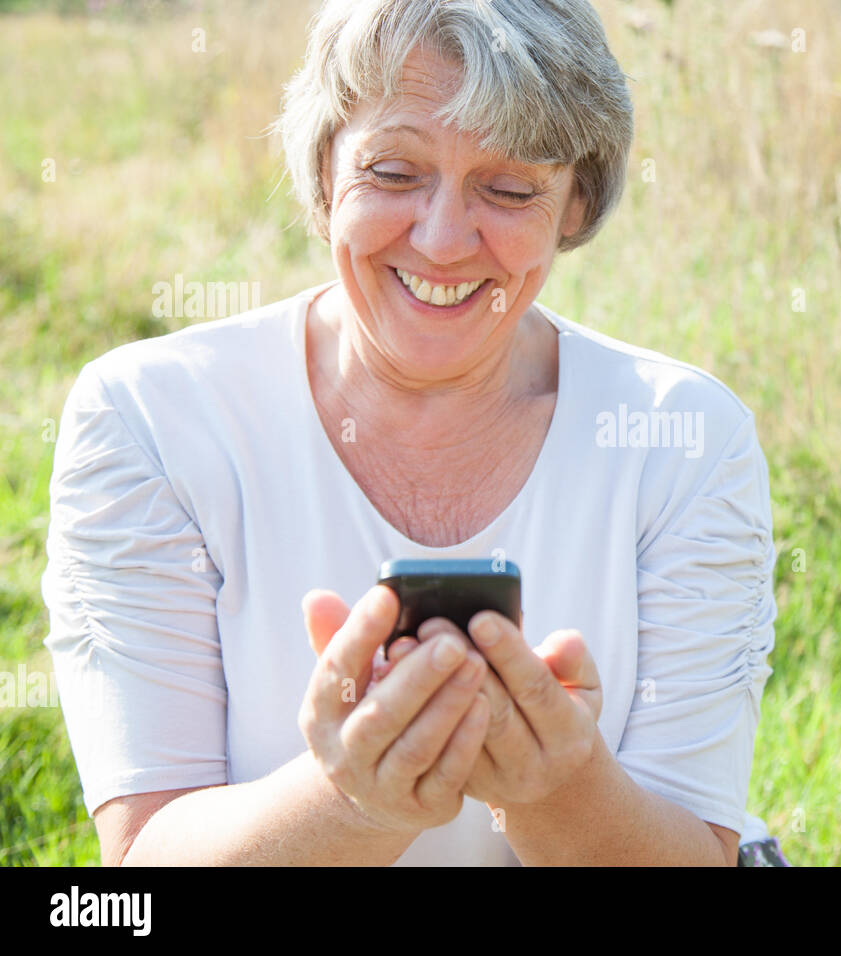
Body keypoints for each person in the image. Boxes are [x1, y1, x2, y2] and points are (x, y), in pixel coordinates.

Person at [42, 0, 786, 866]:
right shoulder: (150, 420)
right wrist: (352, 802)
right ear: (325, 173)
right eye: (394, 172)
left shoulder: (686, 440)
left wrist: (557, 790)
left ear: (576, 203)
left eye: (508, 188)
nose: (440, 240)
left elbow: (695, 851)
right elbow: (140, 870)